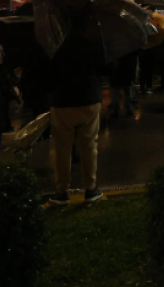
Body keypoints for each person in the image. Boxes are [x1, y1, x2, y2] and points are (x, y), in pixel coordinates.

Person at [47, 37, 104, 205]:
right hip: (89, 97)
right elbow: (108, 66)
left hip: (62, 99)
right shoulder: (94, 39)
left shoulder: (54, 41)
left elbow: (47, 70)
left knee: (62, 148)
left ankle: (62, 191)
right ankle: (90, 188)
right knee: (89, 145)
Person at [110, 51, 137, 118]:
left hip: (116, 74)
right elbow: (133, 63)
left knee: (115, 94)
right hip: (127, 74)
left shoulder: (114, 49)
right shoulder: (130, 50)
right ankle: (129, 109)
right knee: (128, 92)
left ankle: (116, 111)